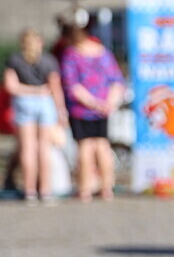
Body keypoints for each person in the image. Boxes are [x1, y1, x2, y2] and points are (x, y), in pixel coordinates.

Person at [59, 20, 127, 201]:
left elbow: (72, 86)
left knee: (86, 147)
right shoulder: (103, 53)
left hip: (82, 109)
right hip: (103, 108)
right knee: (102, 146)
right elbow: (117, 81)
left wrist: (94, 103)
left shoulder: (71, 55)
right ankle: (107, 188)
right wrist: (108, 104)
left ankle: (85, 189)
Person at [4, 29, 69, 202]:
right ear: (40, 42)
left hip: (23, 102)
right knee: (43, 148)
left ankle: (29, 191)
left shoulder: (15, 59)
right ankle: (45, 190)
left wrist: (28, 91)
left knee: (27, 148)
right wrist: (61, 111)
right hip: (45, 102)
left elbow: (11, 86)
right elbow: (55, 87)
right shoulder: (49, 60)